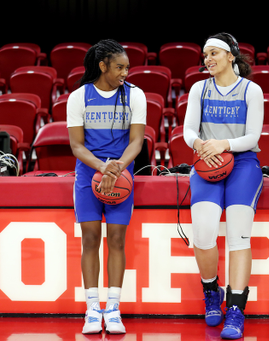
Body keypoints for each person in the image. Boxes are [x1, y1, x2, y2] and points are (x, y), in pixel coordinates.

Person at [183, 32, 264, 340]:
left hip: (242, 162)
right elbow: (188, 129)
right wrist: (201, 144)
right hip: (207, 159)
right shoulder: (198, 88)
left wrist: (223, 144)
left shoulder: (250, 90)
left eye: (215, 53)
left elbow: (253, 137)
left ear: (231, 55)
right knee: (203, 233)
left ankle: (236, 309)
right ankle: (211, 290)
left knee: (238, 234)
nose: (209, 59)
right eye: (206, 55)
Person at [67, 39, 147, 335]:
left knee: (116, 238)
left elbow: (137, 142)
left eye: (127, 67)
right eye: (119, 67)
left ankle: (112, 309)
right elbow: (76, 145)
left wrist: (117, 168)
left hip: (121, 174)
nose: (125, 72)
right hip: (88, 175)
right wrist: (102, 168)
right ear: (102, 66)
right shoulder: (79, 97)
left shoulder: (135, 96)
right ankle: (91, 309)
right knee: (89, 239)